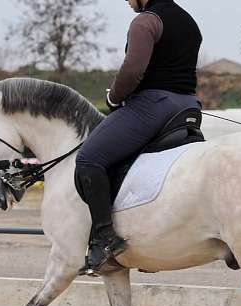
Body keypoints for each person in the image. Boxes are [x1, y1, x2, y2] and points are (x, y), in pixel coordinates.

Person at [74, 0, 203, 276]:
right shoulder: (189, 21)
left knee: (89, 158)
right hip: (188, 106)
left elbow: (133, 70)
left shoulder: (146, 21)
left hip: (153, 105)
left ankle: (104, 238)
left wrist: (113, 97)